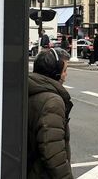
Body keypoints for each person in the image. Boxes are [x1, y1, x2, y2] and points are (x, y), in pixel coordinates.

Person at [27, 48, 73, 179]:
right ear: (55, 73)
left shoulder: (29, 88)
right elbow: (53, 153)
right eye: (64, 71)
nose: (65, 75)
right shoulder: (52, 102)